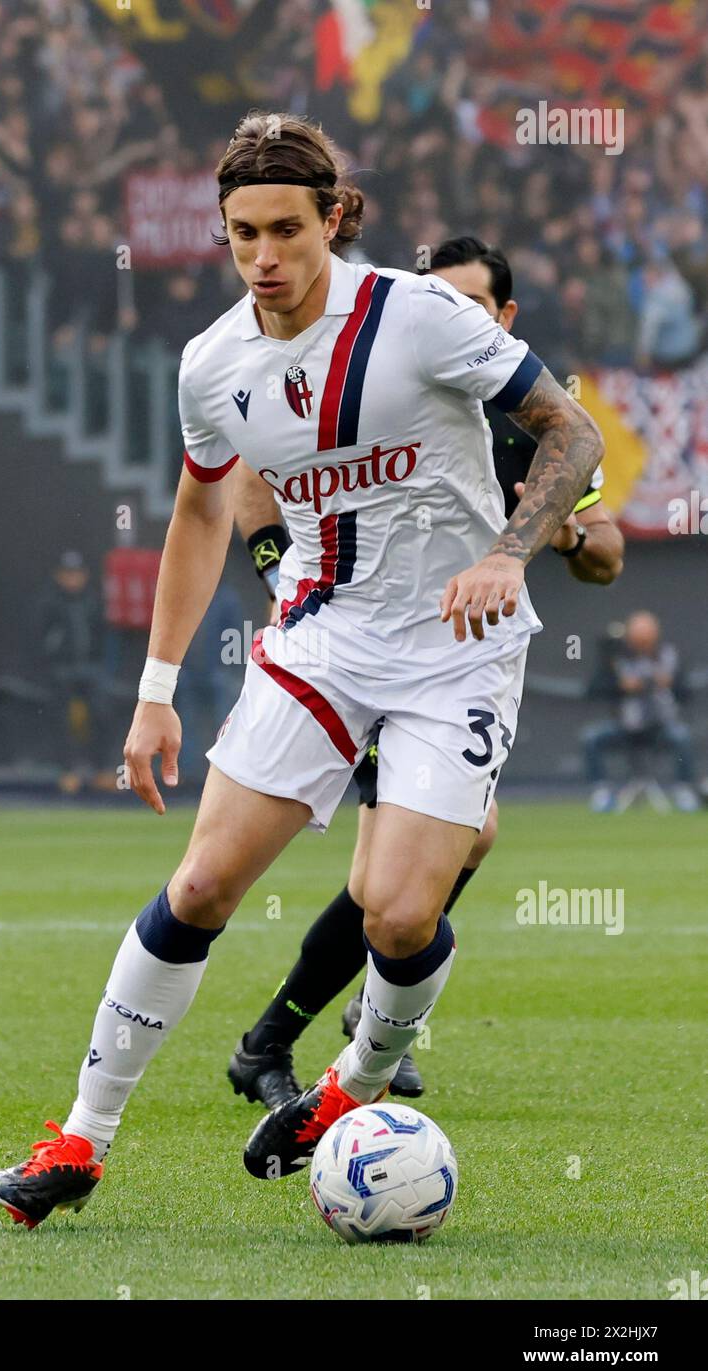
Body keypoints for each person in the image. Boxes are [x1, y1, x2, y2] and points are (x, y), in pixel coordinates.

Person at [0, 112, 603, 1229]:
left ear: (334, 218)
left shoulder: (421, 318)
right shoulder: (212, 363)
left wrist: (508, 555)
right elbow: (196, 509)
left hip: (453, 650)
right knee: (202, 884)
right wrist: (156, 691)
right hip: (316, 639)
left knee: (401, 917)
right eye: (239, 235)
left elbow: (573, 433)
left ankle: (350, 1087)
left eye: (284, 230)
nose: (263, 258)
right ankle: (80, 1138)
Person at [229, 234, 625, 1109]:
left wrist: (552, 533)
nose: (449, 319)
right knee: (411, 874)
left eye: (473, 308)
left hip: (454, 670)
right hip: (354, 651)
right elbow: (252, 479)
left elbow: (606, 555)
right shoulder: (376, 382)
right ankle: (321, 1031)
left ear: (504, 319)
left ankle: (302, 1034)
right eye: (433, 297)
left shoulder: (531, 422)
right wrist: (276, 581)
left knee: (422, 870)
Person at [583, 611, 698, 812]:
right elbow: (593, 689)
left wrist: (670, 684)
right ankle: (601, 793)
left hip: (661, 725)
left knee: (683, 737)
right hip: (625, 726)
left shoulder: (668, 655)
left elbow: (686, 691)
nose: (642, 642)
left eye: (646, 636)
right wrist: (621, 686)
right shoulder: (615, 658)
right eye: (638, 637)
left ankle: (684, 790)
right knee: (591, 737)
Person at [36, 552, 111, 794]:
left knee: (101, 714)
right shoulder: (49, 602)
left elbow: (102, 635)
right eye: (68, 574)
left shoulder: (93, 600)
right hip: (62, 670)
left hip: (90, 668)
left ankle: (100, 770)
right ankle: (68, 772)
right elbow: (38, 638)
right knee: (63, 720)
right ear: (59, 576)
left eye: (77, 574)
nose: (72, 579)